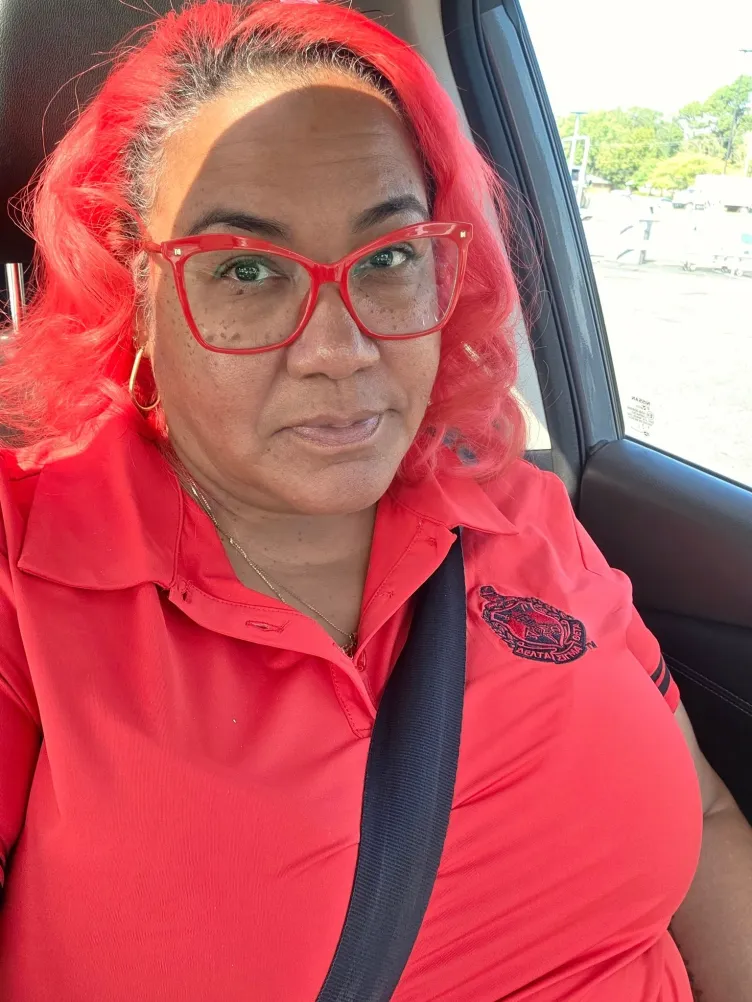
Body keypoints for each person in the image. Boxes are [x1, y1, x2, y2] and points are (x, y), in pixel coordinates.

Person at [0, 2, 750, 999]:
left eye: (388, 258)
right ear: (136, 291)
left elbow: (700, 820)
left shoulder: (521, 514)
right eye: (248, 270)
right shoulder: (30, 576)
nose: (338, 348)